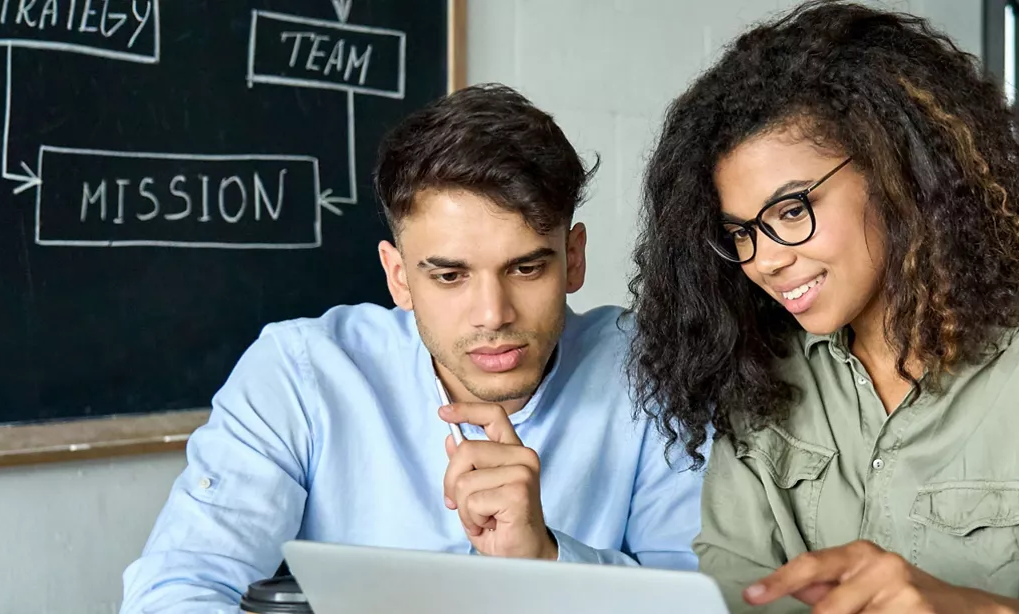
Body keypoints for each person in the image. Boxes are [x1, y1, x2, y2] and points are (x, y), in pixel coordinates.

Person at [627, 2, 1019, 613]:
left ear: (896, 173)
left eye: (791, 211)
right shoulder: (758, 381)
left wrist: (965, 607)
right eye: (742, 233)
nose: (764, 260)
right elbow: (732, 598)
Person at [121, 84, 703, 613]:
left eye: (526, 268)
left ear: (573, 259)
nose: (493, 314)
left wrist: (548, 561)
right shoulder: (300, 373)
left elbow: (697, 602)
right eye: (449, 276)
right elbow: (179, 588)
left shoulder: (650, 369)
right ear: (398, 277)